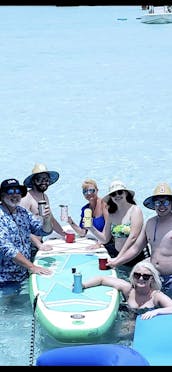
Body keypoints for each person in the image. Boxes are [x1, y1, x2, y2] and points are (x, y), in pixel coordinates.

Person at [107, 182, 172, 295]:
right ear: (154, 204)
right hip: (152, 277)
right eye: (158, 202)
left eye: (165, 202)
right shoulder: (150, 223)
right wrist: (116, 261)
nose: (162, 206)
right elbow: (135, 248)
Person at [0, 178, 53, 288]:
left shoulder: (22, 212)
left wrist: (47, 219)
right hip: (5, 279)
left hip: (24, 274)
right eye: (10, 192)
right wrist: (32, 267)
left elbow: (43, 231)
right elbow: (7, 249)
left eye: (18, 191)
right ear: (2, 195)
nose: (15, 195)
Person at [82, 261, 172, 320]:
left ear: (152, 279)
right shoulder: (128, 289)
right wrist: (83, 285)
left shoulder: (156, 296)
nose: (141, 278)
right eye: (137, 275)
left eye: (146, 276)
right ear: (132, 276)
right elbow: (102, 279)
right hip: (127, 320)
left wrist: (156, 312)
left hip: (147, 324)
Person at [86, 180, 146, 266]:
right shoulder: (111, 214)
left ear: (126, 193)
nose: (117, 195)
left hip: (135, 257)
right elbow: (105, 239)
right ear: (111, 197)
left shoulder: (135, 210)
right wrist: (91, 227)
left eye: (120, 192)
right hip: (118, 256)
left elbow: (133, 237)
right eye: (114, 194)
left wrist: (119, 258)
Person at [20, 163, 66, 254]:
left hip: (39, 243)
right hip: (28, 246)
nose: (44, 182)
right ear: (33, 181)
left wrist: (64, 234)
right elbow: (21, 226)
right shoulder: (26, 198)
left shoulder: (45, 197)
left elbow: (51, 219)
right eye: (39, 179)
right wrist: (39, 245)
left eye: (46, 179)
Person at [67, 179, 108, 249]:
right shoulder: (85, 209)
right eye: (85, 191)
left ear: (97, 190)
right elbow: (83, 233)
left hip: (107, 242)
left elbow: (108, 227)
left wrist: (98, 244)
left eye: (91, 190)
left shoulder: (104, 204)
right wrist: (71, 222)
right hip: (98, 241)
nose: (88, 193)